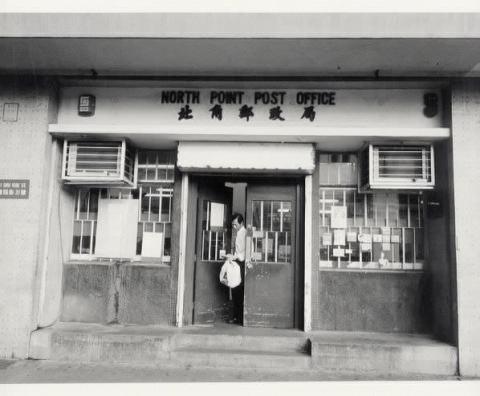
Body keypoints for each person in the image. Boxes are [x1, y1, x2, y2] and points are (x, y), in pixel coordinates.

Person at [225, 213, 246, 324]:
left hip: (241, 264)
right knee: (235, 289)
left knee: (238, 291)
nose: (234, 227)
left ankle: (239, 317)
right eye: (233, 225)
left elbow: (247, 251)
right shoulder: (238, 233)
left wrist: (235, 256)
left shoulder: (245, 233)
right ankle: (236, 316)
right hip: (236, 262)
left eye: (235, 225)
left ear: (241, 223)